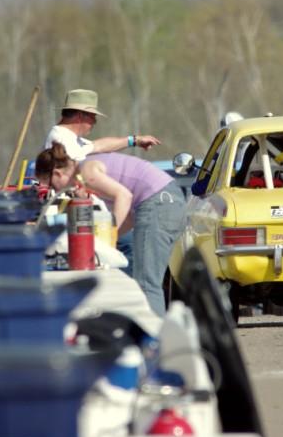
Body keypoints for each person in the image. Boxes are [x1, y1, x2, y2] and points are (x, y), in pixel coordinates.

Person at [36, 142, 185, 316]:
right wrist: (103, 244)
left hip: (159, 202)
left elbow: (124, 196)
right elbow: (128, 218)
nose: (55, 191)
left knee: (146, 284)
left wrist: (110, 238)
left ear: (57, 173)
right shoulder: (86, 177)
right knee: (144, 281)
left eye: (52, 185)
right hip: (169, 200)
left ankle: (155, 337)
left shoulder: (86, 172)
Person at [44, 89, 161, 162]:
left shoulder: (68, 137)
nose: (94, 121)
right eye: (92, 117)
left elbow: (98, 146)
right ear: (80, 116)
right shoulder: (61, 140)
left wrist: (134, 141)